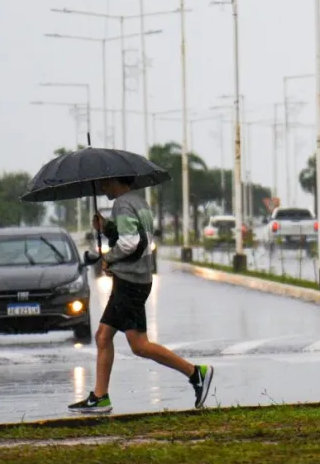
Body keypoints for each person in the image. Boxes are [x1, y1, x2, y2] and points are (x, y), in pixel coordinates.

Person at [68, 176, 215, 414]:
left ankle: (195, 372)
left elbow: (129, 243)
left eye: (105, 183)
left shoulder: (123, 204)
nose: (102, 188)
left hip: (130, 282)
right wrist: (106, 228)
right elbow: (138, 238)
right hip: (136, 280)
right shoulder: (139, 203)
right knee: (110, 338)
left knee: (133, 343)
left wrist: (108, 258)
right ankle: (100, 396)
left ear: (116, 181)